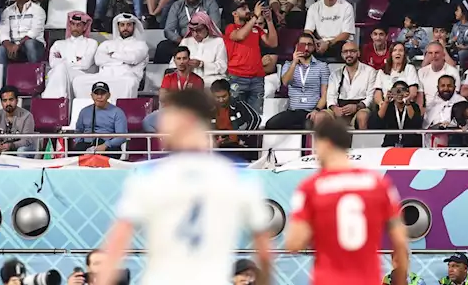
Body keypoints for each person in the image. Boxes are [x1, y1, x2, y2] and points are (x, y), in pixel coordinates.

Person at [97, 88, 272, 285]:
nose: (161, 123)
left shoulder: (147, 175)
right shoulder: (241, 176)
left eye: (167, 115)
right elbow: (264, 250)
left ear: (185, 118)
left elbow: (117, 245)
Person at [284, 119, 410, 285]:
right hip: (367, 280)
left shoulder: (311, 187)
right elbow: (400, 241)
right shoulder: (379, 183)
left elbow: (294, 243)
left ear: (326, 144)